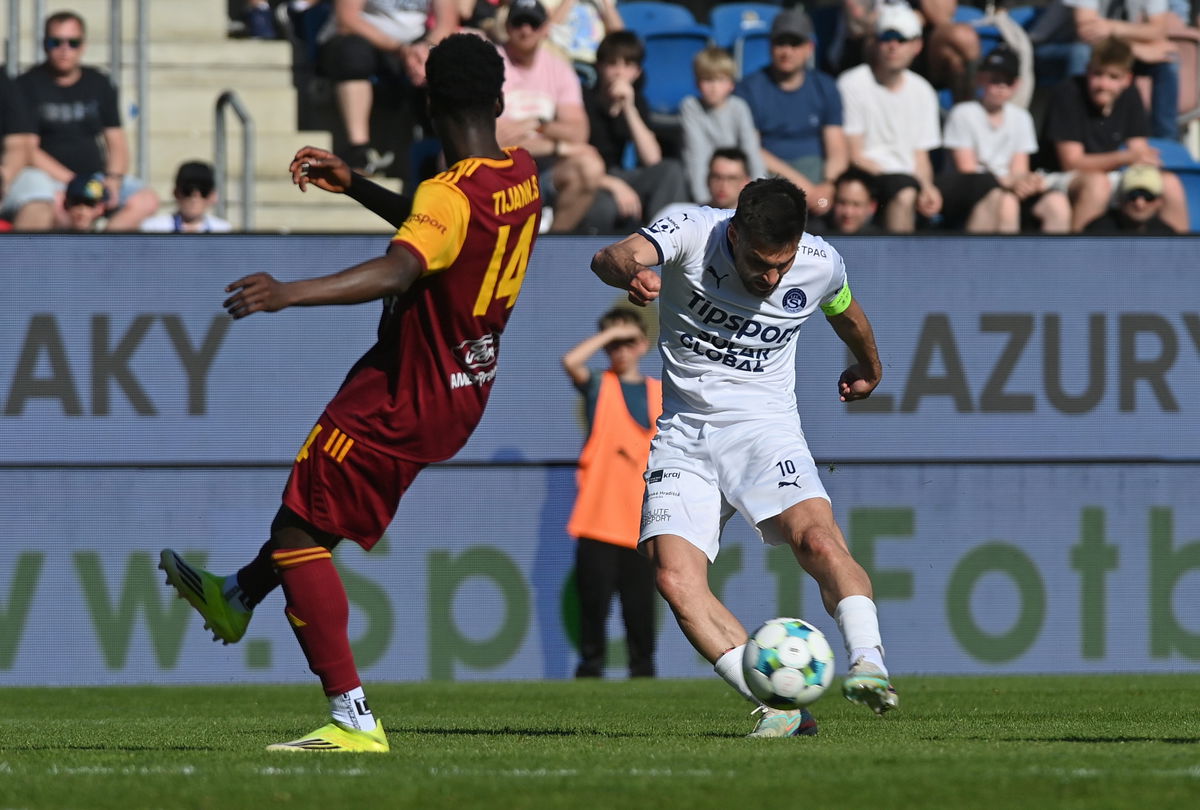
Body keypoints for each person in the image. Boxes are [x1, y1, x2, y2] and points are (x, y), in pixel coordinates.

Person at [159, 33, 541, 753]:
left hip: (402, 392)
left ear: (427, 107)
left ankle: (352, 719)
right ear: (498, 100)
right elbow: (445, 237)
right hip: (464, 382)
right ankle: (236, 595)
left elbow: (403, 268)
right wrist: (359, 185)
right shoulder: (521, 173)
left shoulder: (447, 192)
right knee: (312, 514)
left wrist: (287, 292)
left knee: (299, 534)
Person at [589, 177, 897, 738]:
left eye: (782, 265)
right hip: (684, 434)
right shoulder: (692, 230)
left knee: (818, 540)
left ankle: (869, 665)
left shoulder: (820, 262)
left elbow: (844, 309)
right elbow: (610, 255)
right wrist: (630, 271)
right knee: (674, 580)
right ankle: (780, 708)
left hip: (765, 430)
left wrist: (870, 367)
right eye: (760, 264)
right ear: (734, 235)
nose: (771, 279)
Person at [562, 307, 661, 679]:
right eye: (614, 344)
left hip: (643, 523)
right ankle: (590, 674)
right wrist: (610, 334)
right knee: (594, 608)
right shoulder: (599, 386)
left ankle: (644, 675)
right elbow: (571, 361)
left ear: (643, 344)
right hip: (598, 519)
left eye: (628, 341)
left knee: (640, 610)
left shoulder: (661, 393)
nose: (621, 350)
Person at [10, 11, 159, 232]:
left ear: (83, 46)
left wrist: (113, 180)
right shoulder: (25, 85)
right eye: (56, 42)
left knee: (146, 200)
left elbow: (116, 142)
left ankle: (104, 249)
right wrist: (72, 182)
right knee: (42, 206)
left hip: (95, 177)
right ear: (44, 45)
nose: (64, 50)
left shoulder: (100, 83)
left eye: (73, 43)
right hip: (50, 179)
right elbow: (28, 149)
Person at [1039, 36, 1189, 232]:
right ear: (1087, 70)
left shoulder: (1130, 94)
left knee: (1169, 184)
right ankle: (1081, 250)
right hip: (1055, 178)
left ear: (1127, 79)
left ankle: (1179, 251)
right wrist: (1125, 157)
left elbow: (1138, 151)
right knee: (1097, 184)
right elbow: (1072, 162)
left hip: (1110, 173)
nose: (1104, 84)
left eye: (1113, 77)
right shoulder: (1068, 93)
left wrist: (1144, 164)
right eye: (1097, 74)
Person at [939, 45, 1071, 234]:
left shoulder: (1021, 117)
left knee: (1057, 202)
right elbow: (967, 171)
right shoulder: (963, 113)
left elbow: (1020, 168)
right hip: (971, 190)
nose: (1001, 87)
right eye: (995, 80)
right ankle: (1005, 254)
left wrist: (1027, 183)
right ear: (980, 79)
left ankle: (1058, 255)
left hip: (1009, 187)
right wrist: (1008, 182)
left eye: (1007, 81)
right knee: (1005, 201)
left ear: (1016, 85)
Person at [316, 0, 459, 174]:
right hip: (361, 37)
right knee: (353, 56)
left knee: (446, 61)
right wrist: (400, 49)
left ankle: (441, 151)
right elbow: (347, 19)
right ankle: (358, 150)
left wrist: (424, 50)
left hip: (416, 44)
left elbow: (447, 23)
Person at [497, 0, 603, 233]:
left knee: (589, 166)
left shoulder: (559, 68)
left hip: (544, 171)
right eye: (518, 23)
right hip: (500, 170)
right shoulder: (492, 64)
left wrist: (536, 124)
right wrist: (559, 147)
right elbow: (493, 140)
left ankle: (554, 242)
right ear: (507, 27)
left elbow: (578, 133)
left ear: (545, 28)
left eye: (533, 24)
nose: (525, 30)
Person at [837, 3, 942, 232]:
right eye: (886, 38)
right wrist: (905, 180)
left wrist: (927, 187)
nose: (893, 46)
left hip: (908, 179)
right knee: (904, 191)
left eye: (901, 39)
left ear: (917, 45)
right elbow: (855, 155)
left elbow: (920, 156)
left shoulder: (923, 91)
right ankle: (901, 257)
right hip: (866, 176)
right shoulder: (851, 83)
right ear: (875, 43)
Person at [735, 9, 846, 218]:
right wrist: (802, 187)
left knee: (850, 203)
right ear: (770, 46)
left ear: (809, 48)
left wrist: (829, 185)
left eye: (795, 44)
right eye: (781, 43)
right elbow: (753, 148)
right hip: (770, 179)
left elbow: (837, 148)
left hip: (819, 180)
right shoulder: (748, 89)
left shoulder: (825, 87)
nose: (787, 51)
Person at [581, 30, 687, 231]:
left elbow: (652, 159)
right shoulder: (583, 100)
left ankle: (663, 239)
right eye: (612, 64)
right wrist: (614, 185)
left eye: (628, 65)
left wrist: (629, 108)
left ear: (637, 72)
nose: (619, 72)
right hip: (593, 180)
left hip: (625, 175)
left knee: (671, 171)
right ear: (599, 67)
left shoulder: (637, 101)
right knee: (606, 207)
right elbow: (574, 162)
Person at [1064, 0, 1181, 140]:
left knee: (1168, 61)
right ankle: (1073, 135)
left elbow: (1158, 31)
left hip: (1118, 46)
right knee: (1080, 53)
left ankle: (1166, 141)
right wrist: (1137, 48)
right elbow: (1086, 31)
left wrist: (1112, 27)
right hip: (1060, 46)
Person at [679, 47, 765, 205]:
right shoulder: (691, 106)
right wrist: (704, 201)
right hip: (708, 190)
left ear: (731, 84)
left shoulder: (739, 107)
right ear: (697, 83)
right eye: (708, 80)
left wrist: (759, 195)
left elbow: (751, 152)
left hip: (737, 184)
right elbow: (696, 156)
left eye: (720, 80)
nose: (714, 87)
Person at [651, 147, 752, 222]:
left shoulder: (753, 224)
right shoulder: (675, 214)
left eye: (732, 178)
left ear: (746, 183)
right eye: (716, 177)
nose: (723, 185)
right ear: (707, 179)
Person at [140, 161, 234, 233]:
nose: (194, 199)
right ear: (176, 193)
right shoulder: (154, 229)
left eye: (203, 191)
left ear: (213, 196)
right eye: (187, 191)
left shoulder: (223, 230)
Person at [1084, 162, 1179, 231]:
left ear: (1159, 201)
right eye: (1132, 195)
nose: (1140, 203)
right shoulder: (1097, 233)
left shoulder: (1167, 237)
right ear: (1120, 198)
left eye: (1148, 196)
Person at [815, 167, 884, 235]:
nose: (848, 213)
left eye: (856, 204)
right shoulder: (814, 235)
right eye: (842, 203)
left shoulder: (881, 239)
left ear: (872, 206)